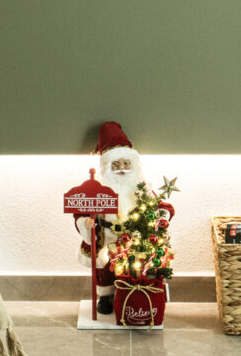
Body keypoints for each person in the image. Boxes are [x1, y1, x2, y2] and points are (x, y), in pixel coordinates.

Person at [73, 122, 173, 315]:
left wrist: (161, 216)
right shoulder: (99, 188)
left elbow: (162, 206)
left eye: (126, 164)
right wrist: (85, 222)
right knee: (104, 268)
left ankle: (130, 293)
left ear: (133, 164)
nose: (121, 169)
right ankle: (104, 297)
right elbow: (82, 210)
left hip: (135, 238)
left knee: (135, 266)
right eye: (116, 164)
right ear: (107, 166)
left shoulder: (141, 187)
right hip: (107, 237)